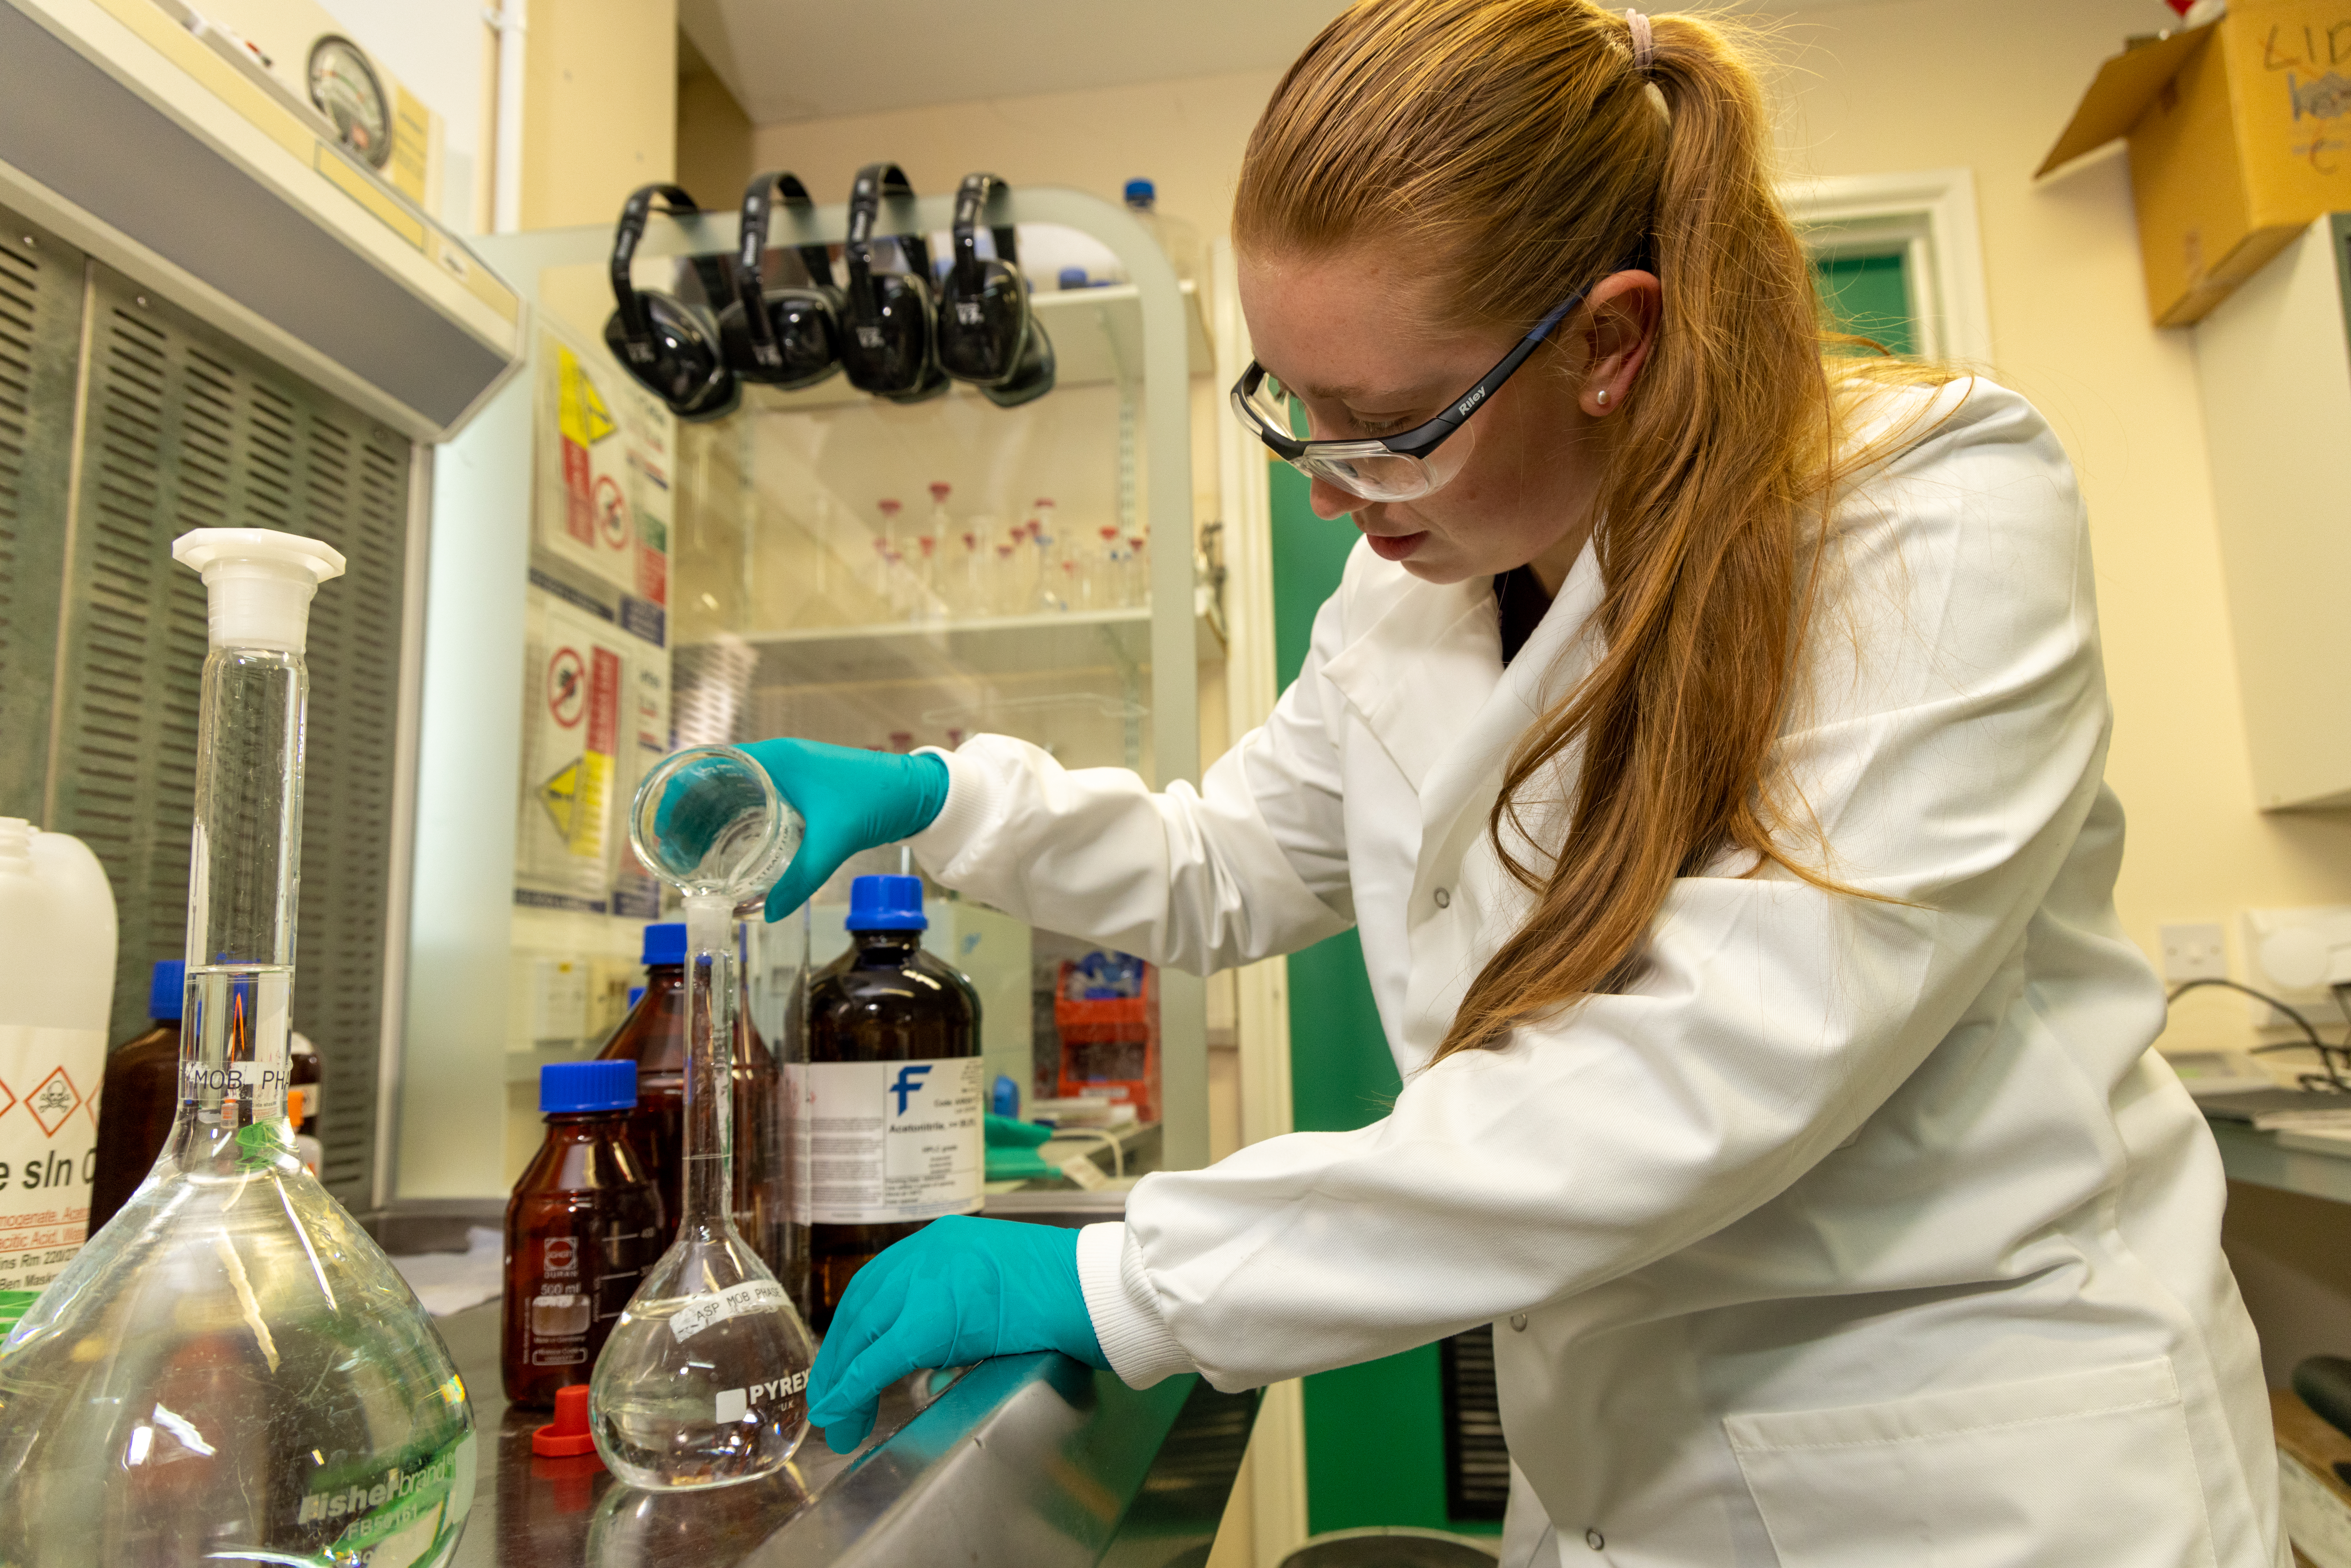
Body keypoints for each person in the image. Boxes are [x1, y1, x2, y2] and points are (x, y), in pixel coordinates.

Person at [750, 3, 2284, 1562]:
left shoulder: (1919, 518)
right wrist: (937, 800)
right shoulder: (1414, 588)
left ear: (1610, 342)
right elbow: (1232, 861)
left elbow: (1690, 1073)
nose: (1337, 485)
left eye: (1392, 423)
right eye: (1294, 407)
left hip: (1965, 1477)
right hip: (1622, 1472)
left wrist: (1122, 1275)